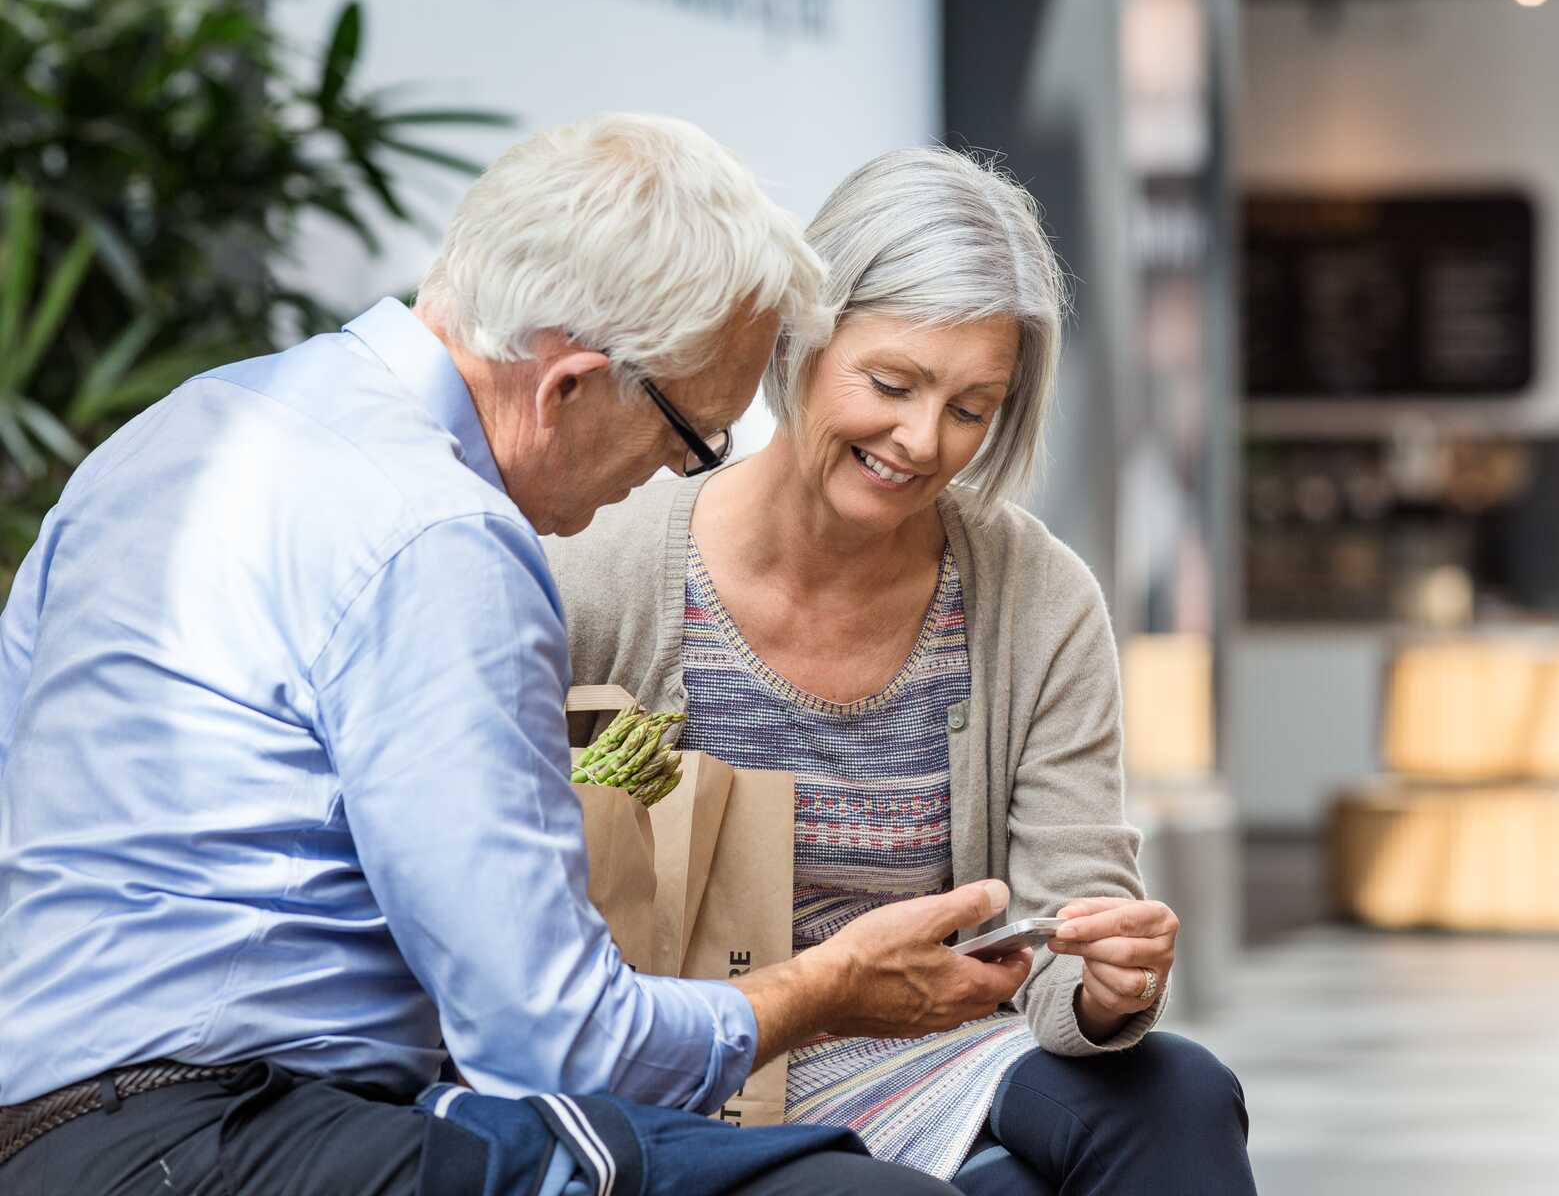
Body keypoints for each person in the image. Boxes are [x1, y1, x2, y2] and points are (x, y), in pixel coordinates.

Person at [0, 117, 1032, 1196]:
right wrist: (828, 984)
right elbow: (555, 1044)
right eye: (692, 436)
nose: (677, 473)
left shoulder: (179, 428)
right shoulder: (442, 535)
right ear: (570, 386)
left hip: (44, 1123)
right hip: (233, 1132)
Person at [544, 146, 1258, 1194]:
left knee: (1178, 1091)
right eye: (891, 384)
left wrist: (1106, 981)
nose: (922, 441)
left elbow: (1073, 913)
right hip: (697, 1068)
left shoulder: (1034, 595)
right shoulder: (599, 570)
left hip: (941, 1054)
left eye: (971, 408)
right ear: (802, 335)